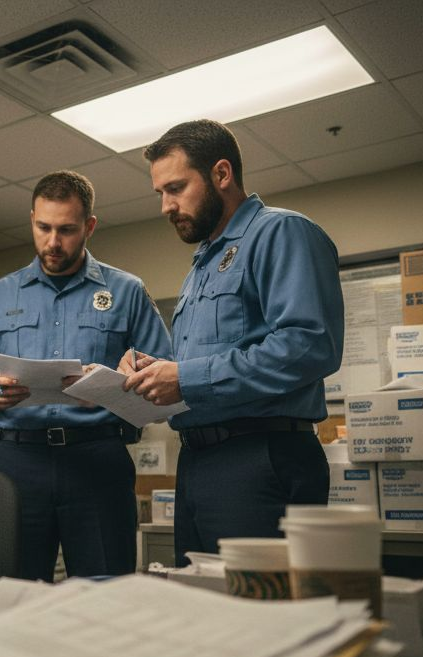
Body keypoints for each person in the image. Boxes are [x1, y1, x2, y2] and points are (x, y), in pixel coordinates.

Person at [120, 119, 344, 566]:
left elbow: (310, 343)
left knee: (261, 615)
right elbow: (205, 363)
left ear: (221, 174)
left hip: (260, 458)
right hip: (200, 463)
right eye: (160, 193)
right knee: (207, 615)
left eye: (177, 188)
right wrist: (154, 369)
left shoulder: (280, 232)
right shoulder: (201, 265)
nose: (166, 206)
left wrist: (185, 377)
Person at [0, 170, 172, 582]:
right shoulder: (1, 294)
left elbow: (162, 386)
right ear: (32, 219)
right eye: (44, 227)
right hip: (17, 460)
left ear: (89, 226)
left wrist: (107, 389)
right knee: (13, 593)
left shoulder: (126, 291)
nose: (53, 242)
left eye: (67, 230)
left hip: (97, 458)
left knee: (106, 591)